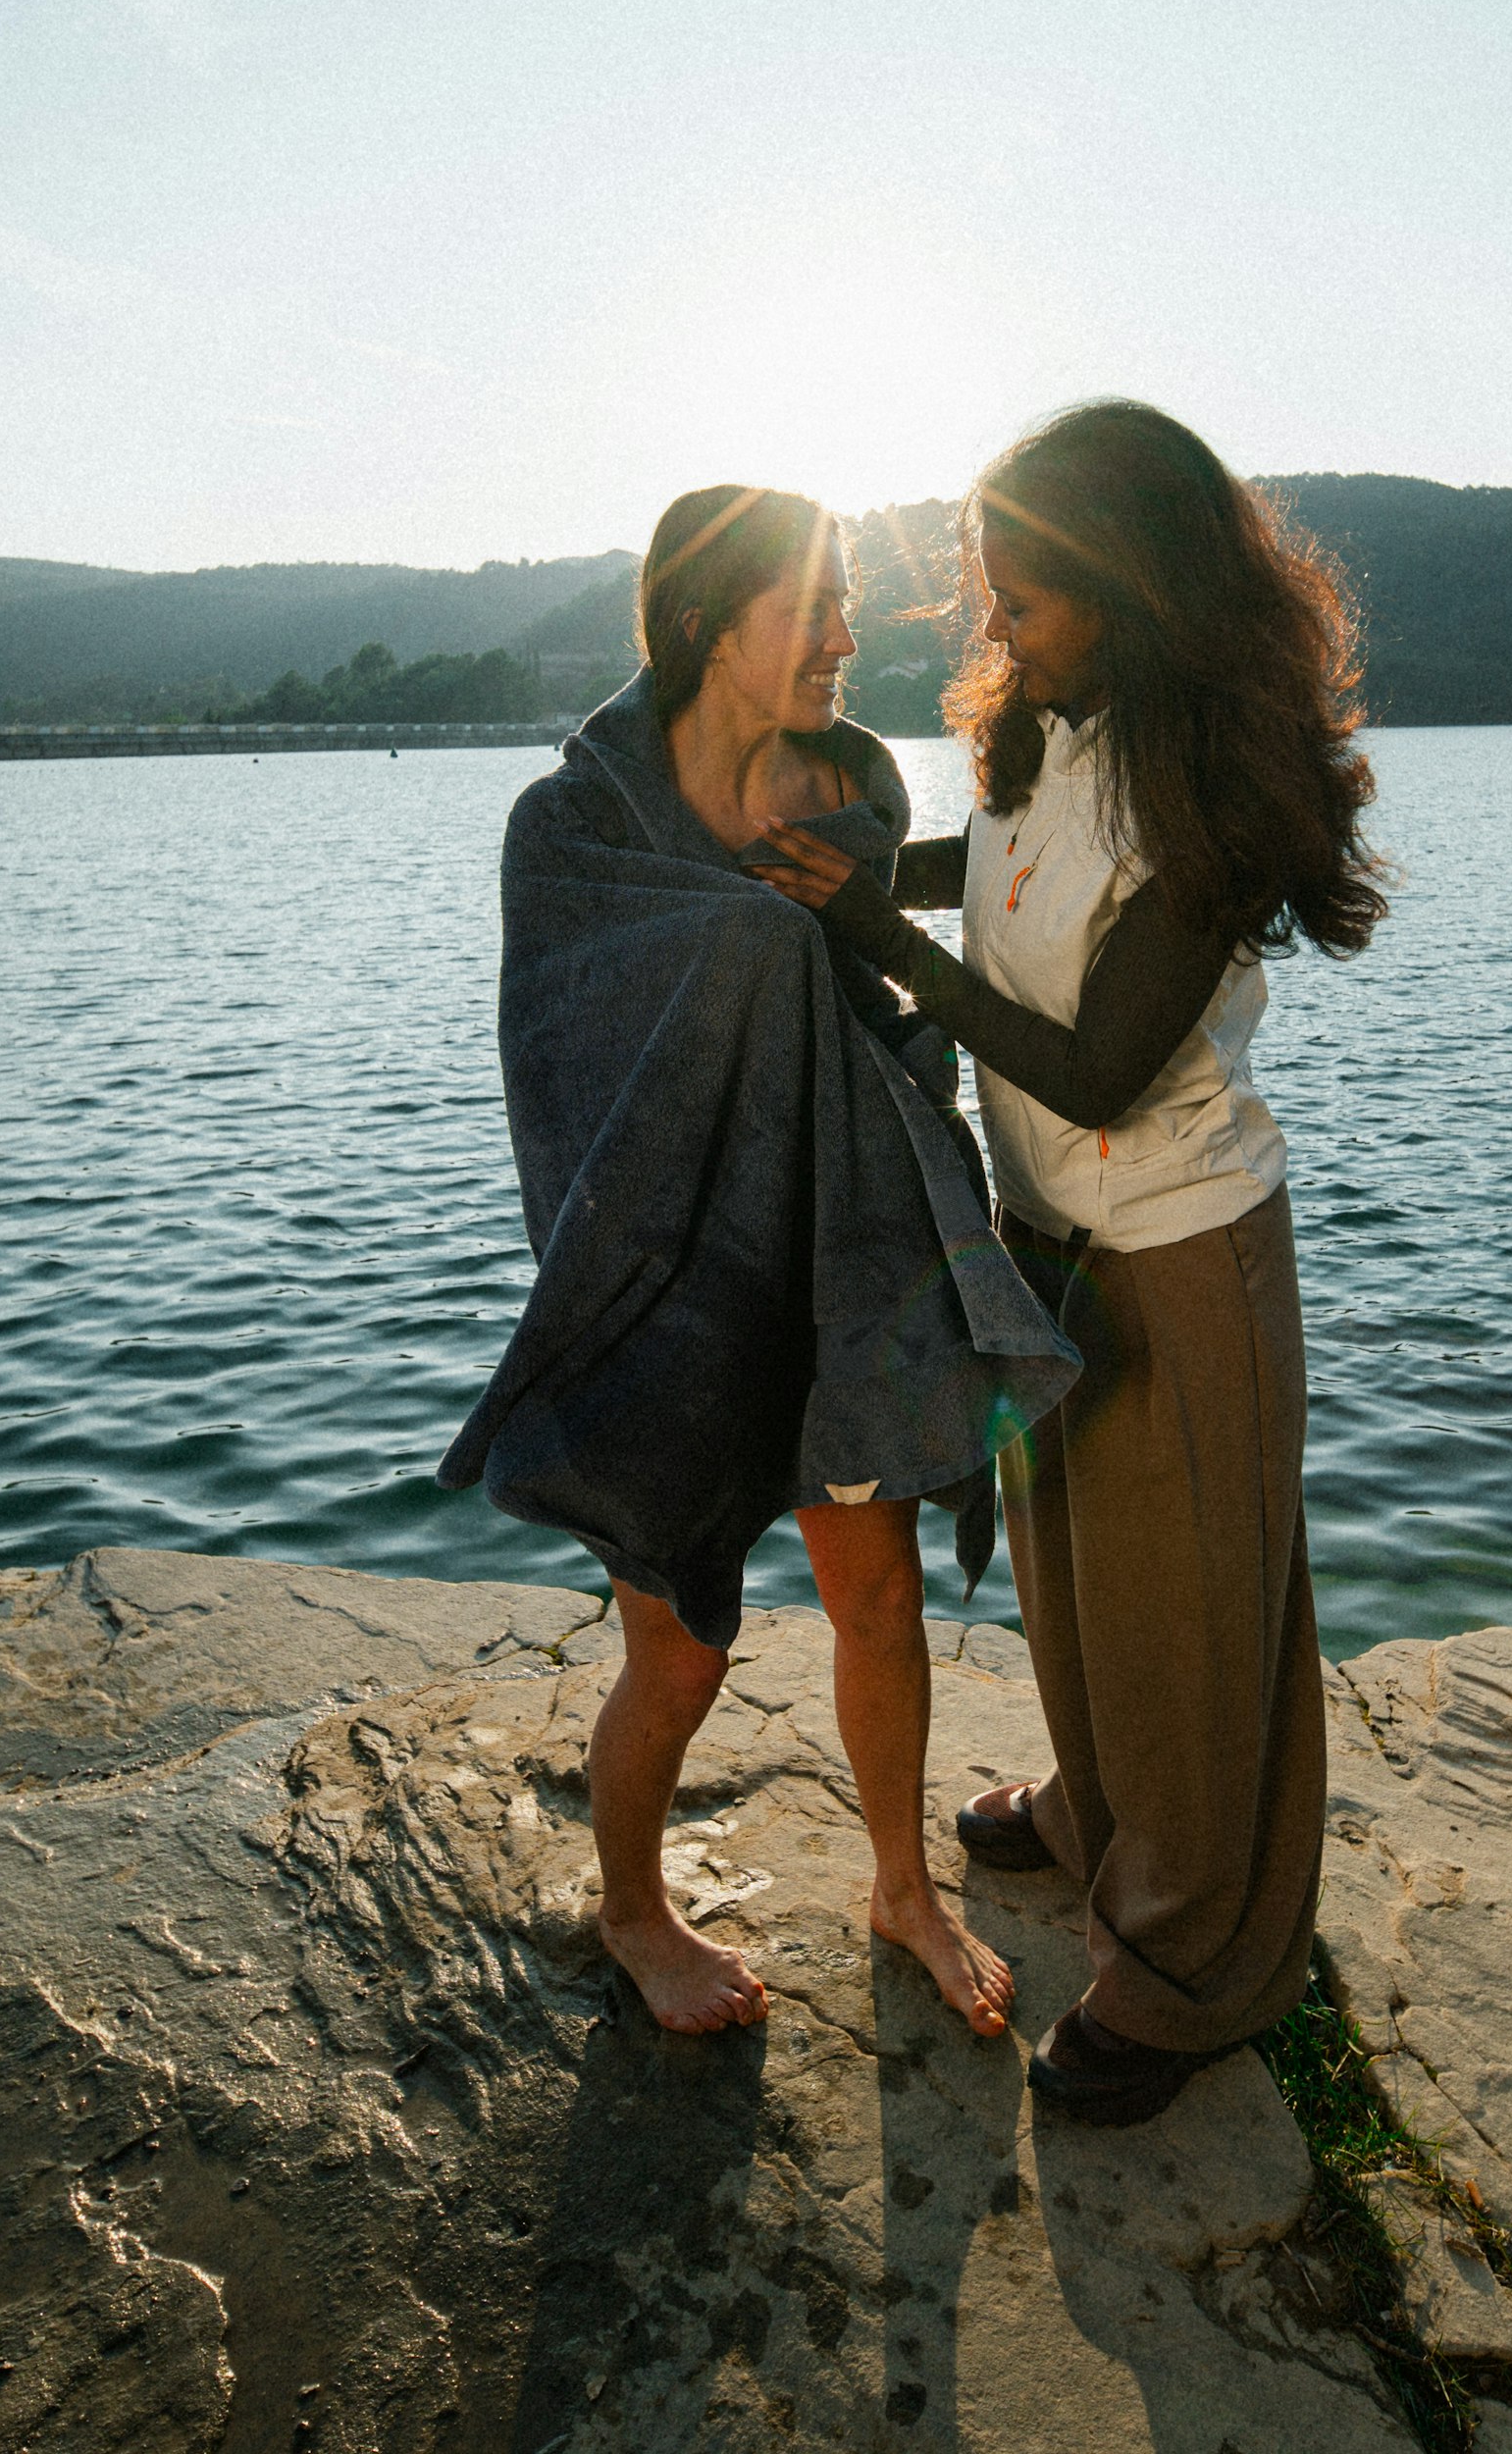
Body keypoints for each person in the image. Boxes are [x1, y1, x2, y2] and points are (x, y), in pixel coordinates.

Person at [756, 400, 1385, 2124]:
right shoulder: (1049, 725)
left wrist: (873, 936)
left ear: (1132, 583)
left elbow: (1101, 1068)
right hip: (1044, 1237)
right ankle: (1097, 1814)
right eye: (989, 584)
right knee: (1077, 1582)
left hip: (1179, 1248)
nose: (994, 619)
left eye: (1022, 592)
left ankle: (1193, 1969)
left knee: (1187, 1622)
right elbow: (998, 879)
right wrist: (849, 869)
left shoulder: (1218, 789)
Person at [436, 485, 1079, 2040]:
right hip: (671, 1273)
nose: (848, 638)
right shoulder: (575, 826)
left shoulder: (852, 785)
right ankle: (633, 1912)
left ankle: (902, 1888)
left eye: (845, 604)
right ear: (708, 626)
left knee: (880, 1599)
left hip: (848, 1258)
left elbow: (862, 1013)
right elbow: (562, 1073)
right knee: (678, 1650)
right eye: (814, 609)